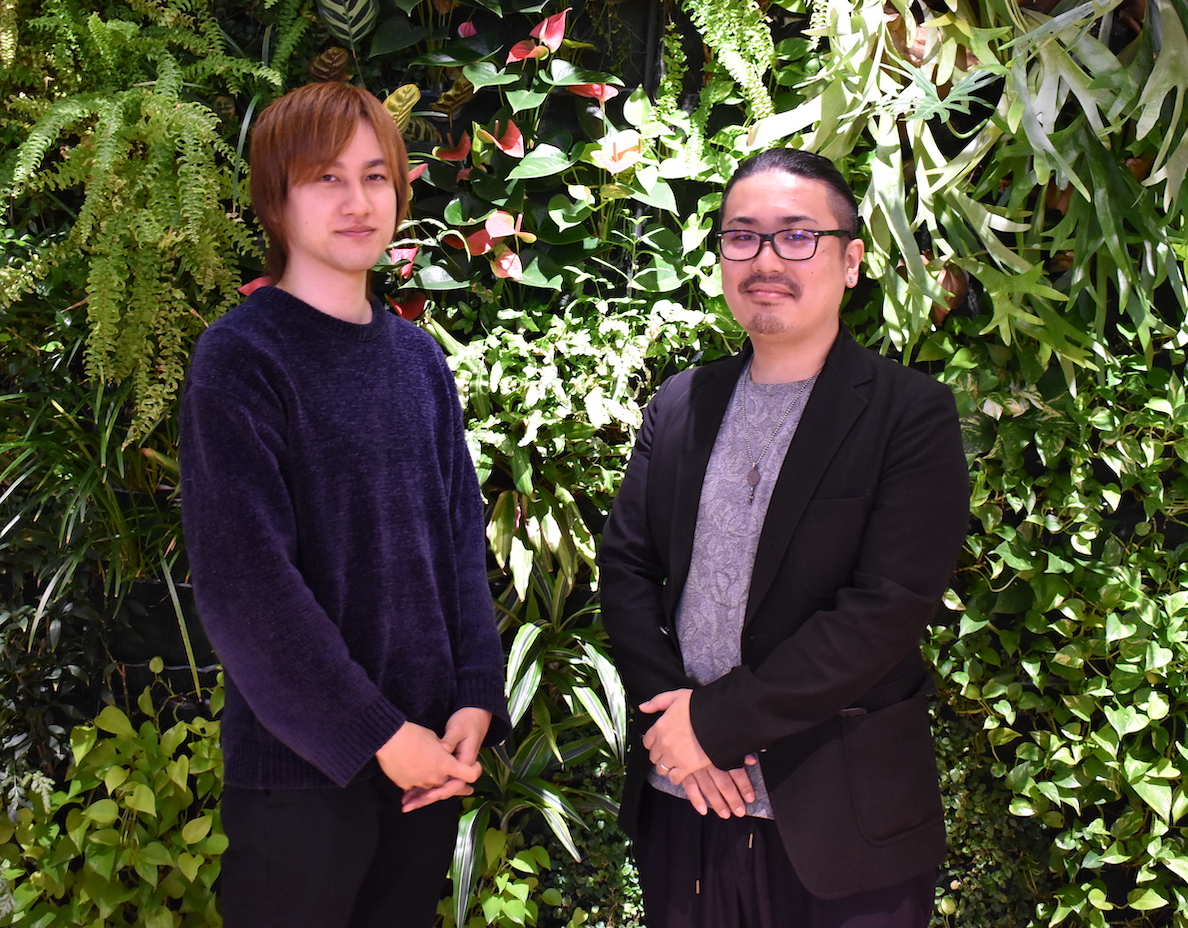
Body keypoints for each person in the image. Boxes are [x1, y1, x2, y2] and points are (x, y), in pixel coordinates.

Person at [598, 148, 970, 928]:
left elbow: (885, 610)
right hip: (685, 805)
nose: (765, 260)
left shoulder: (910, 414)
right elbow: (626, 566)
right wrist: (675, 729)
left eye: (798, 236)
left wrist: (711, 725)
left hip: (842, 825)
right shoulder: (681, 402)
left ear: (851, 261)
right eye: (743, 236)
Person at [179, 82, 509, 928]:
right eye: (326, 177)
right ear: (275, 199)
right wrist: (377, 734)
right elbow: (246, 588)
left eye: (376, 177)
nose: (359, 202)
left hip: (427, 762)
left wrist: (475, 693)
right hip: (301, 777)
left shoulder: (418, 360)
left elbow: (459, 542)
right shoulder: (241, 359)